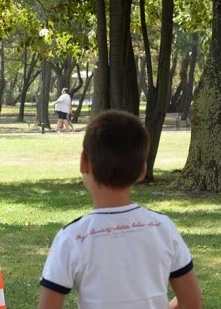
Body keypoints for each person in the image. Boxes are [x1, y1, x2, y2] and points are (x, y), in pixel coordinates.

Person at [37, 110, 201, 309]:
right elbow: (191, 302)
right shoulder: (163, 227)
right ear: (142, 170)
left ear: (83, 162)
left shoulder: (72, 238)